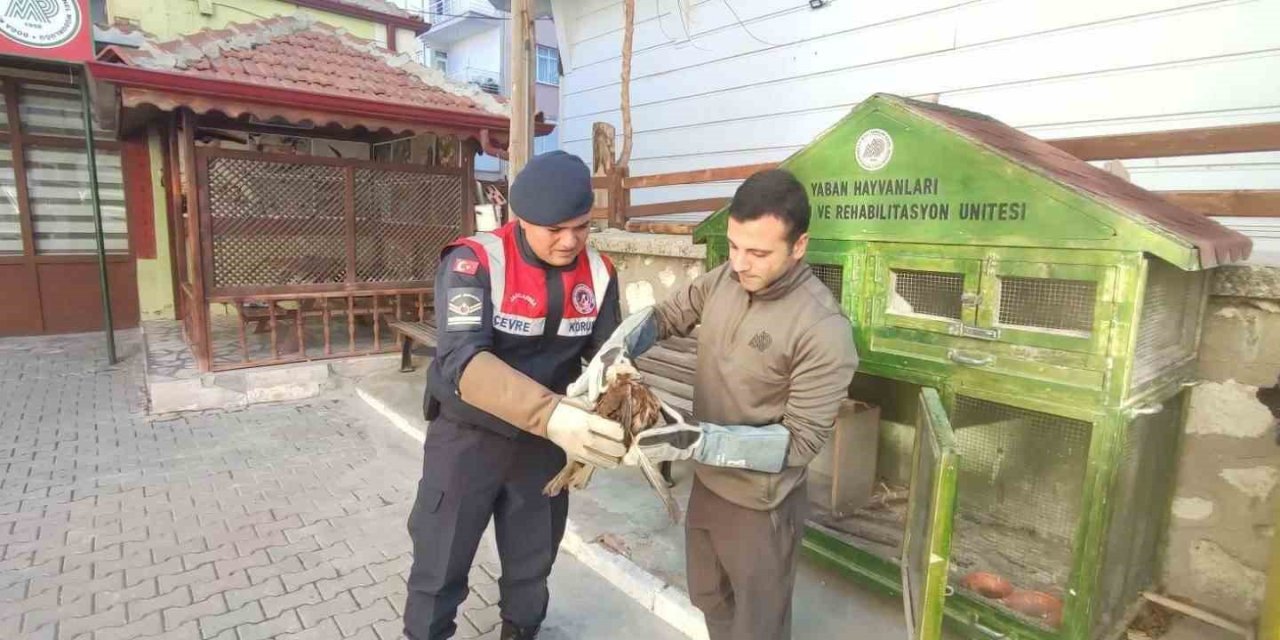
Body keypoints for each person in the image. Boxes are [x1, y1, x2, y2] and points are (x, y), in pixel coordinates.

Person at [571, 168, 859, 640]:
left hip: (761, 504)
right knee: (708, 595)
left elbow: (802, 442)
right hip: (707, 486)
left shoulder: (823, 328)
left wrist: (696, 440)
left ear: (799, 246)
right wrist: (619, 348)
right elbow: (667, 316)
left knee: (757, 626)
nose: (741, 263)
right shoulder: (725, 279)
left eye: (759, 252)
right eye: (734, 246)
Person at [404, 151, 628, 640]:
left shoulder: (601, 273)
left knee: (532, 567)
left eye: (582, 227)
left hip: (544, 450)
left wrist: (617, 409)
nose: (570, 241)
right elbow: (463, 361)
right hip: (468, 439)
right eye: (555, 229)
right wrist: (552, 415)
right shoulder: (474, 262)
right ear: (521, 219)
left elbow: (608, 358)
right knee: (439, 564)